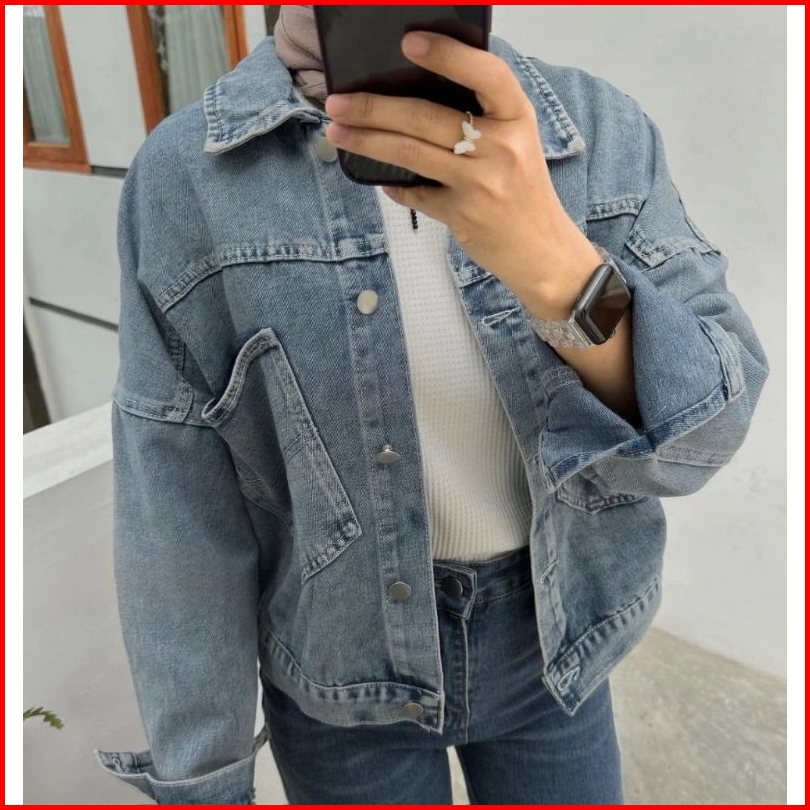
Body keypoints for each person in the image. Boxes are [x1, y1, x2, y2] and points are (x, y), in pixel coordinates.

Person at [95, 6, 768, 805]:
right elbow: (176, 505)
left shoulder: (595, 128)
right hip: (339, 672)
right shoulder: (188, 176)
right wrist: (204, 778)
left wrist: (557, 265)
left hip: (555, 647)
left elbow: (706, 431)